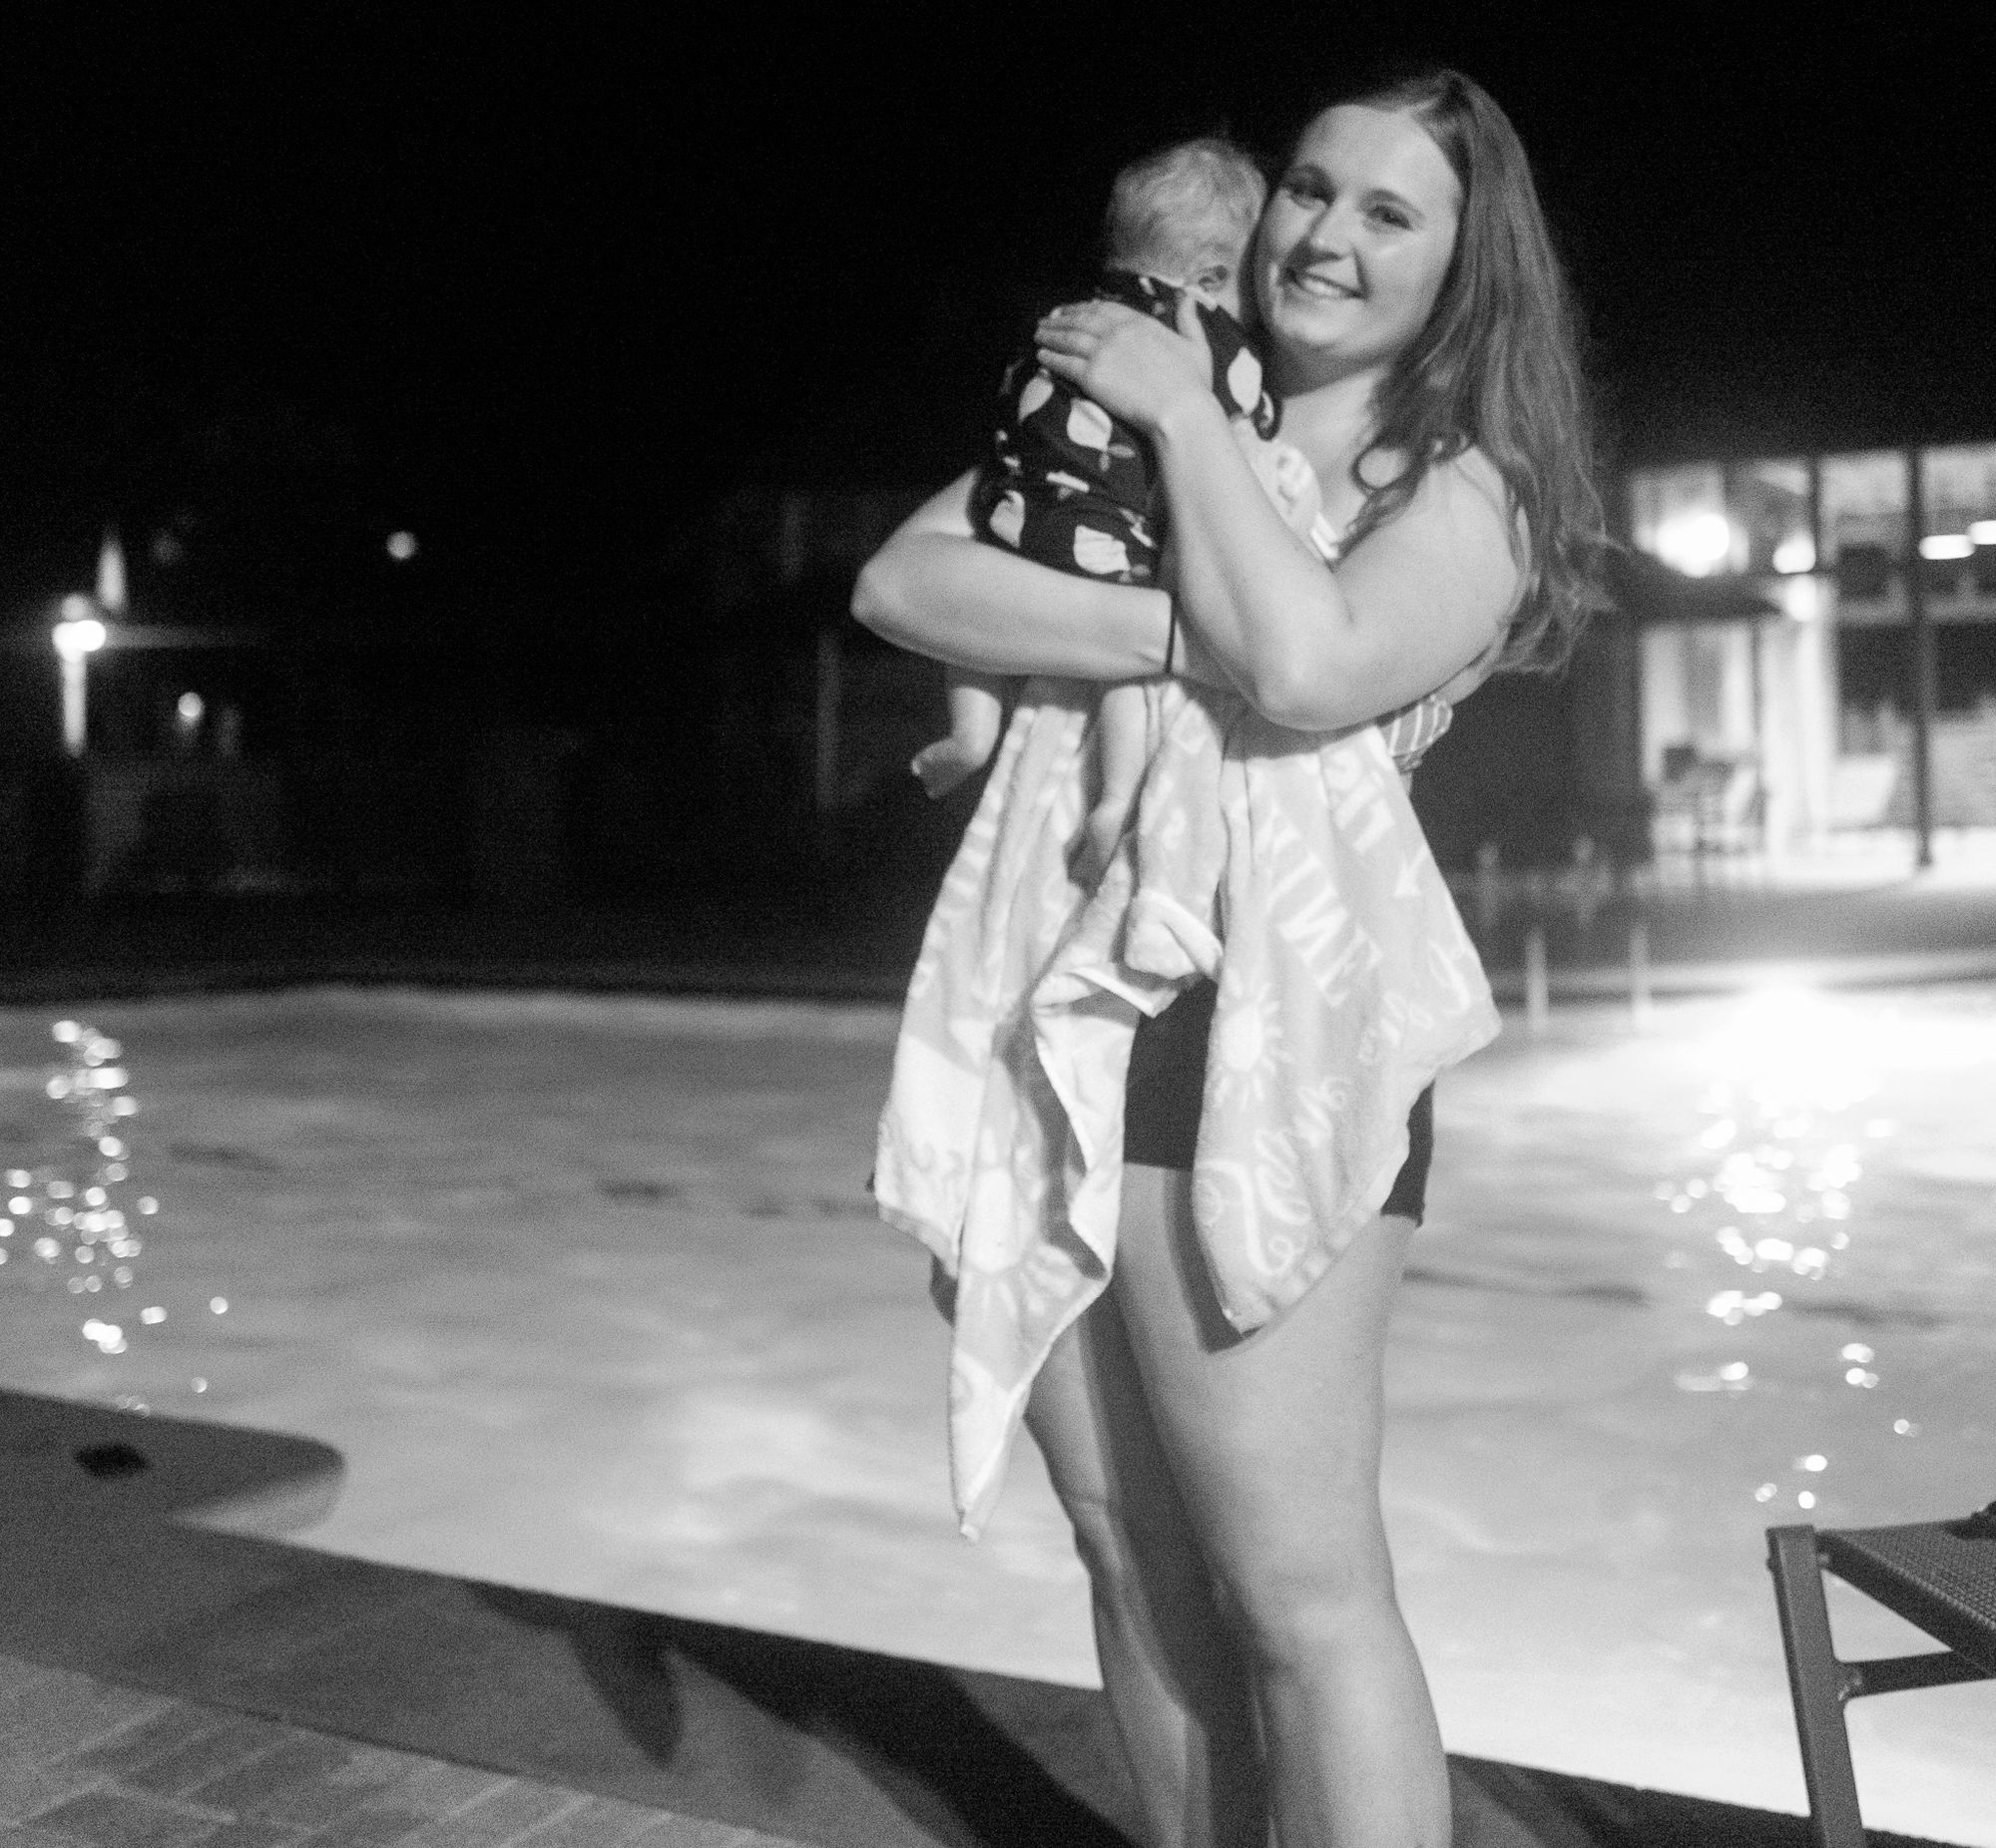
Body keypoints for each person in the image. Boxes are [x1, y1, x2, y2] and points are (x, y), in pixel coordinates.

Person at [855, 68, 1605, 1848]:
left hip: (1264, 1031)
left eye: (1389, 213)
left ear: (1465, 269)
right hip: (1056, 996)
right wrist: (1181, 577)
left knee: (1298, 1591)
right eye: (1310, 190)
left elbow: (1312, 662)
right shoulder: (1157, 380)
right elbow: (907, 582)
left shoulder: (1459, 488)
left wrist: (1184, 429)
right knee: (1123, 1538)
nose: (1324, 234)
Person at [910, 136, 1296, 886]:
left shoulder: (1074, 315)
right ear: (1211, 276)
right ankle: (1116, 795)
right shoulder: (1200, 328)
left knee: (985, 613)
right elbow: (1252, 414)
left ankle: (970, 731)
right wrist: (1257, 416)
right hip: (1105, 537)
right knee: (1125, 663)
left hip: (1016, 506)